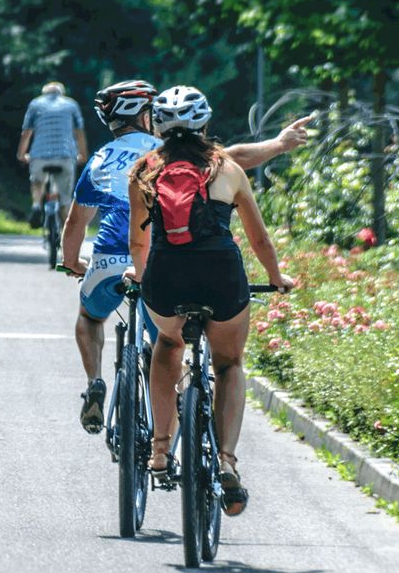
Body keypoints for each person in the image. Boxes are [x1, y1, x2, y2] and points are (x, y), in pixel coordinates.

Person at [63, 80, 309, 435]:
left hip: (112, 263)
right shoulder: (165, 152)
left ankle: (95, 382)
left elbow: (75, 223)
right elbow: (233, 157)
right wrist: (279, 144)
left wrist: (72, 262)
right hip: (171, 263)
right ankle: (184, 419)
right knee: (170, 347)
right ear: (146, 117)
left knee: (90, 316)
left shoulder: (103, 159)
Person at [125, 85, 294, 517]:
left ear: (157, 127)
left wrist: (144, 280)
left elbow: (139, 242)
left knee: (167, 346)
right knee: (229, 365)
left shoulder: (143, 170)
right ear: (204, 123)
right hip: (221, 275)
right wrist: (276, 278)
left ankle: (161, 451)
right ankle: (226, 461)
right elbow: (258, 237)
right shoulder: (228, 168)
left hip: (166, 276)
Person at [17, 81, 88, 228]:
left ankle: (36, 206)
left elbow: (26, 132)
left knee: (37, 183)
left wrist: (21, 154)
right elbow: (79, 132)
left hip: (39, 155)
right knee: (65, 199)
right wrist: (83, 154)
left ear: (44, 93)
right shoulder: (71, 105)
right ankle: (64, 235)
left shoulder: (35, 104)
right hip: (66, 155)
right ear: (61, 93)